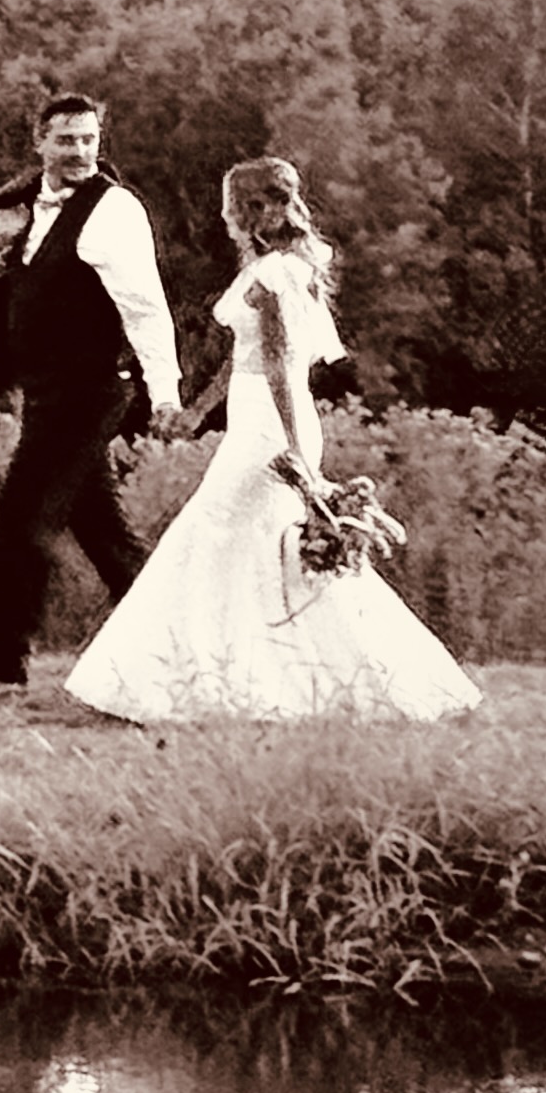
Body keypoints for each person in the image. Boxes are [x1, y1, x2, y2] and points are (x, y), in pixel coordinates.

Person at [63, 159, 481, 723]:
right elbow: (244, 359)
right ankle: (231, 678)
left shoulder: (280, 273)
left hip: (271, 429)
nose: (222, 214)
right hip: (251, 417)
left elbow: (283, 366)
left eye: (227, 203)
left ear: (249, 210)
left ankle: (154, 685)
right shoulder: (266, 267)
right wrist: (196, 414)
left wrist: (297, 453)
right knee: (254, 549)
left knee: (212, 534)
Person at [0, 93, 183, 697]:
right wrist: (2, 246)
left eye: (88, 139)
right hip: (49, 394)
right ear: (40, 143)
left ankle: (3, 669)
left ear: (100, 142)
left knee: (20, 522)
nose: (79, 151)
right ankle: (181, 647)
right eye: (66, 140)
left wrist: (165, 393)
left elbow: (146, 307)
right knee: (105, 535)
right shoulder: (24, 207)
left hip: (89, 392)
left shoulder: (115, 210)